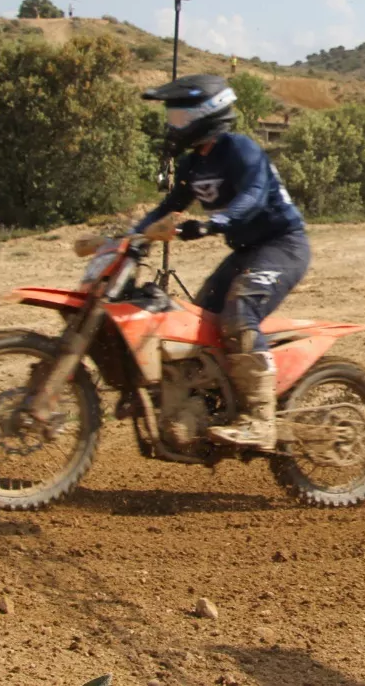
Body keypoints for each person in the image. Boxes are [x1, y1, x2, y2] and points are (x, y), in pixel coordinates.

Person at [134, 74, 307, 451]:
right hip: (246, 250)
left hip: (282, 245)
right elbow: (169, 207)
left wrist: (213, 223)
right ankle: (210, 408)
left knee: (240, 311)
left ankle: (260, 420)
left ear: (207, 116)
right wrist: (132, 238)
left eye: (180, 118)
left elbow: (253, 197)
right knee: (196, 323)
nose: (173, 126)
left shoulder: (241, 149)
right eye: (171, 118)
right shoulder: (193, 164)